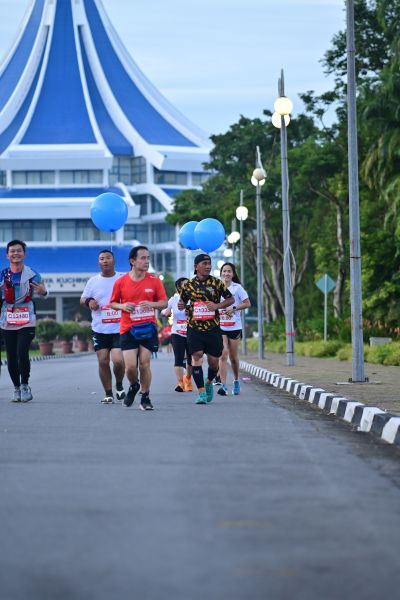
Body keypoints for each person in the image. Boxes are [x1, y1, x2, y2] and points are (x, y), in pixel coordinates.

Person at [109, 245, 167, 410]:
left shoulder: (154, 280)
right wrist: (123, 306)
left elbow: (164, 302)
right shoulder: (121, 282)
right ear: (132, 261)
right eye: (143, 258)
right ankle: (134, 385)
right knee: (130, 367)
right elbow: (112, 303)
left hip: (148, 328)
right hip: (128, 329)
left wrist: (151, 304)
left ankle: (145, 397)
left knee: (144, 364)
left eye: (148, 258)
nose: (146, 261)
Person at [179, 253, 234, 405]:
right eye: (204, 263)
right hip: (194, 327)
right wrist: (181, 305)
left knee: (214, 362)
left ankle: (208, 382)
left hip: (213, 328)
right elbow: (182, 302)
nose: (208, 266)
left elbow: (230, 299)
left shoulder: (217, 283)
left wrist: (217, 306)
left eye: (209, 263)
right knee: (196, 356)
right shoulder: (188, 285)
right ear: (196, 266)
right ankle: (201, 392)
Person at [0, 240, 49, 402]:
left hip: (27, 317)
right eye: (12, 251)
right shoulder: (2, 275)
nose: (16, 253)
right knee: (11, 355)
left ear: (24, 254)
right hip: (7, 318)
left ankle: (25, 385)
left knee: (22, 352)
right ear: (7, 255)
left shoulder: (33, 274)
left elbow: (44, 293)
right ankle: (16, 388)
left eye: (19, 250)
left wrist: (43, 292)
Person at [80, 249, 126, 404]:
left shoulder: (122, 278)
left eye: (108, 258)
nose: (105, 261)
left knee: (118, 361)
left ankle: (119, 384)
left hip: (119, 328)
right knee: (103, 361)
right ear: (98, 262)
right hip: (99, 329)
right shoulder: (93, 281)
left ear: (114, 261)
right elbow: (83, 299)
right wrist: (89, 301)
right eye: (101, 258)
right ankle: (108, 393)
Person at [218, 262, 251, 396]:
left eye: (229, 271)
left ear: (233, 274)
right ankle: (223, 385)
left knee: (233, 357)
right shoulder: (216, 287)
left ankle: (236, 380)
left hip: (234, 326)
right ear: (221, 273)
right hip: (220, 325)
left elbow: (247, 303)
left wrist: (234, 308)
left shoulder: (237, 288)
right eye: (224, 271)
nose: (226, 273)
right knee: (223, 354)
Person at [161, 277, 193, 393]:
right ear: (179, 288)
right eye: (185, 284)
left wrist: (190, 311)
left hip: (192, 332)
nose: (188, 286)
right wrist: (166, 312)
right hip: (177, 332)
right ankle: (180, 383)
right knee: (178, 358)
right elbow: (164, 311)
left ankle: (187, 379)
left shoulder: (194, 299)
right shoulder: (174, 299)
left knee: (191, 359)